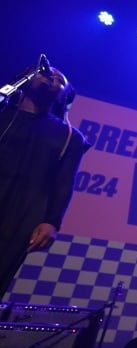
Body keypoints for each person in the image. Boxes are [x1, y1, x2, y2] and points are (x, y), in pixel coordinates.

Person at [0, 61, 91, 301]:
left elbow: (64, 182)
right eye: (46, 75)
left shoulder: (69, 136)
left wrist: (52, 221)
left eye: (60, 81)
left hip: (20, 215)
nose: (52, 79)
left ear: (64, 96)